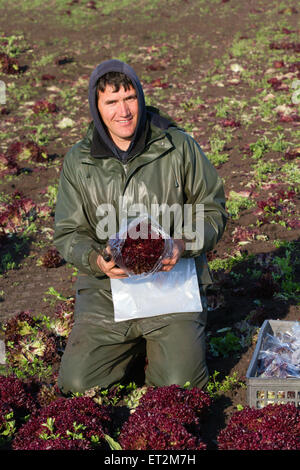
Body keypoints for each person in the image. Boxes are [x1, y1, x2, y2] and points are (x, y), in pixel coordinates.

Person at [53, 59, 227, 395]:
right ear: (96, 107)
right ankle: (130, 347)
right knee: (77, 385)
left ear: (141, 97)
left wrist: (182, 242)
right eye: (111, 102)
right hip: (107, 293)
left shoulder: (177, 147)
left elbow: (212, 208)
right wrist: (96, 261)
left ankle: (166, 343)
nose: (124, 111)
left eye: (130, 97)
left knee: (181, 387)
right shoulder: (79, 161)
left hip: (171, 283)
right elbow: (68, 233)